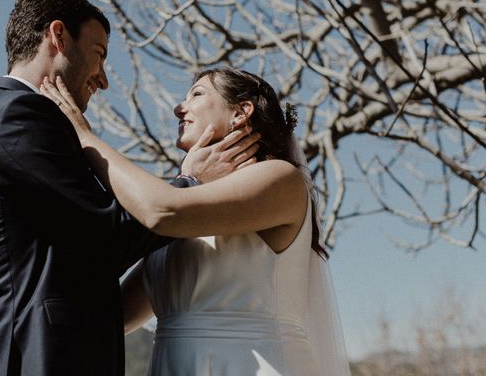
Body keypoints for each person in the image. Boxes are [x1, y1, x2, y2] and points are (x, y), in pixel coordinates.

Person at [0, 0, 259, 376]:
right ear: (58, 37)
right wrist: (190, 182)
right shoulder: (18, 117)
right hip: (31, 361)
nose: (103, 79)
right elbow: (106, 241)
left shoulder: (7, 120)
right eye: (99, 54)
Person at [41, 66, 351, 375]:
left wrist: (84, 137)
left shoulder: (280, 180)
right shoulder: (188, 206)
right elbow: (116, 315)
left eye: (197, 95)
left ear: (241, 112)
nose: (180, 108)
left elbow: (160, 211)